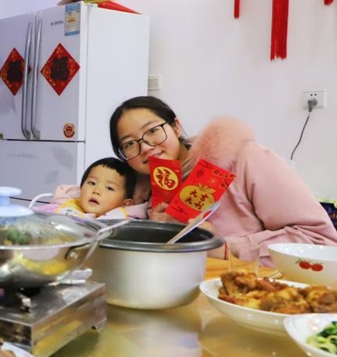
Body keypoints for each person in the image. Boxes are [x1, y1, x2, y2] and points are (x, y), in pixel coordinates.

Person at [109, 95, 337, 264]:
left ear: (176, 126)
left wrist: (227, 248)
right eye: (129, 144)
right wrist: (158, 230)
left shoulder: (245, 158)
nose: (146, 147)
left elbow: (319, 240)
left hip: (254, 296)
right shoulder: (147, 190)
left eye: (152, 131)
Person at [34, 157, 136, 220]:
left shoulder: (123, 223)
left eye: (109, 188)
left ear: (125, 203)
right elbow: (30, 217)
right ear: (81, 189)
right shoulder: (62, 209)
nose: (96, 191)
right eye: (92, 183)